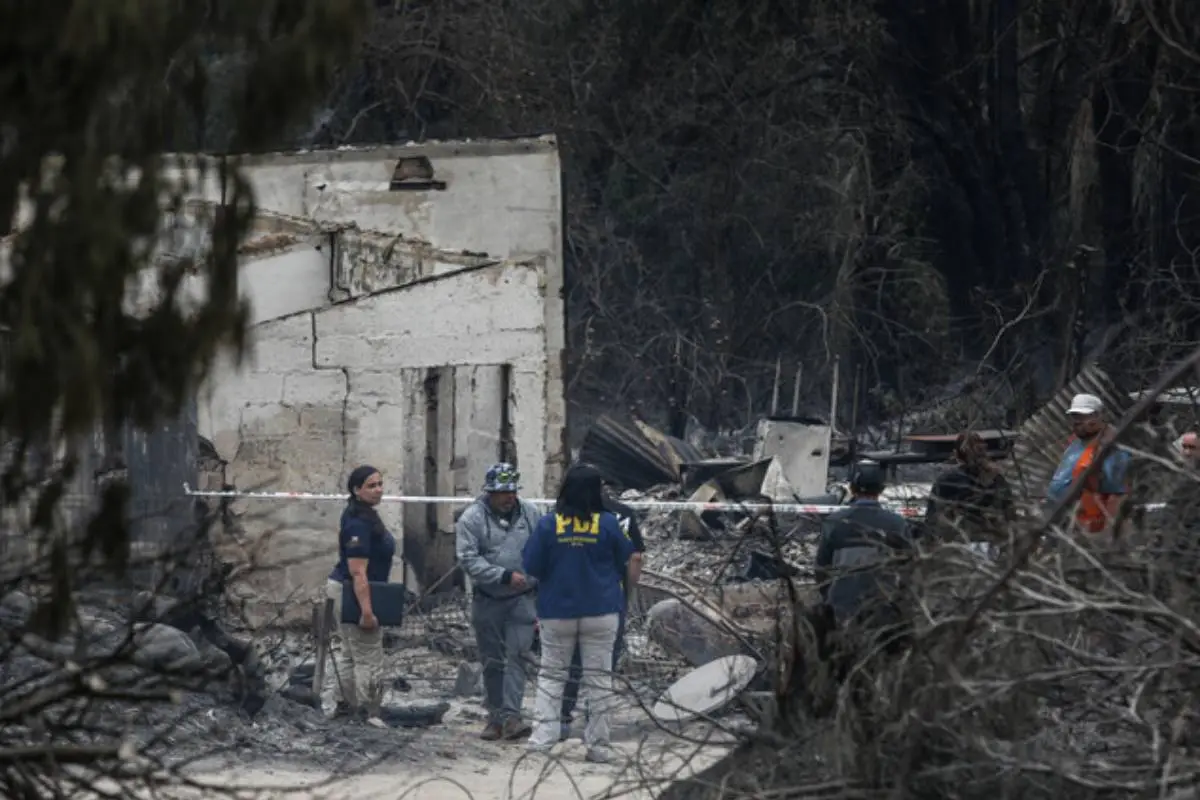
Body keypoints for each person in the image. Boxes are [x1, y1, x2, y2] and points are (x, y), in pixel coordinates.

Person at [523, 463, 635, 763]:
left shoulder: (549, 524)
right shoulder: (609, 523)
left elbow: (531, 566)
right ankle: (598, 746)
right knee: (600, 679)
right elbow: (626, 557)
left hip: (557, 611)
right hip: (601, 610)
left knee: (552, 677)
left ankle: (542, 742)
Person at [455, 462, 541, 741]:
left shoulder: (531, 514)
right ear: (490, 492)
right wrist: (502, 576)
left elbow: (542, 550)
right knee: (492, 660)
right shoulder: (471, 519)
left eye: (512, 491)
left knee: (518, 657)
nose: (509, 497)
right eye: (503, 492)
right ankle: (495, 717)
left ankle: (513, 716)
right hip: (488, 599)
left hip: (522, 600)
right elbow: (468, 560)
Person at [558, 474, 643, 741]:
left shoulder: (563, 513)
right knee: (603, 666)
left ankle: (561, 719)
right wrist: (626, 596)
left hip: (569, 599)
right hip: (609, 601)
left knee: (569, 662)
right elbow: (635, 558)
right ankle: (594, 724)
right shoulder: (622, 516)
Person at [814, 460, 914, 649]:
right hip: (883, 609)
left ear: (851, 488)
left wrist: (833, 598)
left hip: (842, 609)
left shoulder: (834, 522)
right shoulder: (897, 524)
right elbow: (908, 570)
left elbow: (821, 570)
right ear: (882, 489)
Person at [326, 465, 395, 729]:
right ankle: (370, 713)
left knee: (349, 653)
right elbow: (358, 572)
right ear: (356, 490)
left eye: (380, 484)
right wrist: (367, 611)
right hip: (353, 590)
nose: (379, 489)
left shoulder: (364, 515)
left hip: (347, 587)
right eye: (371, 485)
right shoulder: (358, 523)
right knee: (368, 653)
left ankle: (345, 708)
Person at [1046, 393, 1131, 534]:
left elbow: (1117, 495)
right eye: (1074, 417)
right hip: (1061, 520)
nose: (1077, 421)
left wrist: (1110, 532)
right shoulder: (1075, 444)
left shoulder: (1112, 449)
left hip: (1087, 528)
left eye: (1083, 416)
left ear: (1098, 417)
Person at [925, 431, 1014, 549]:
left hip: (963, 544)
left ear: (956, 455)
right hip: (981, 542)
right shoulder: (996, 479)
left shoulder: (948, 479)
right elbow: (1009, 513)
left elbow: (933, 520)